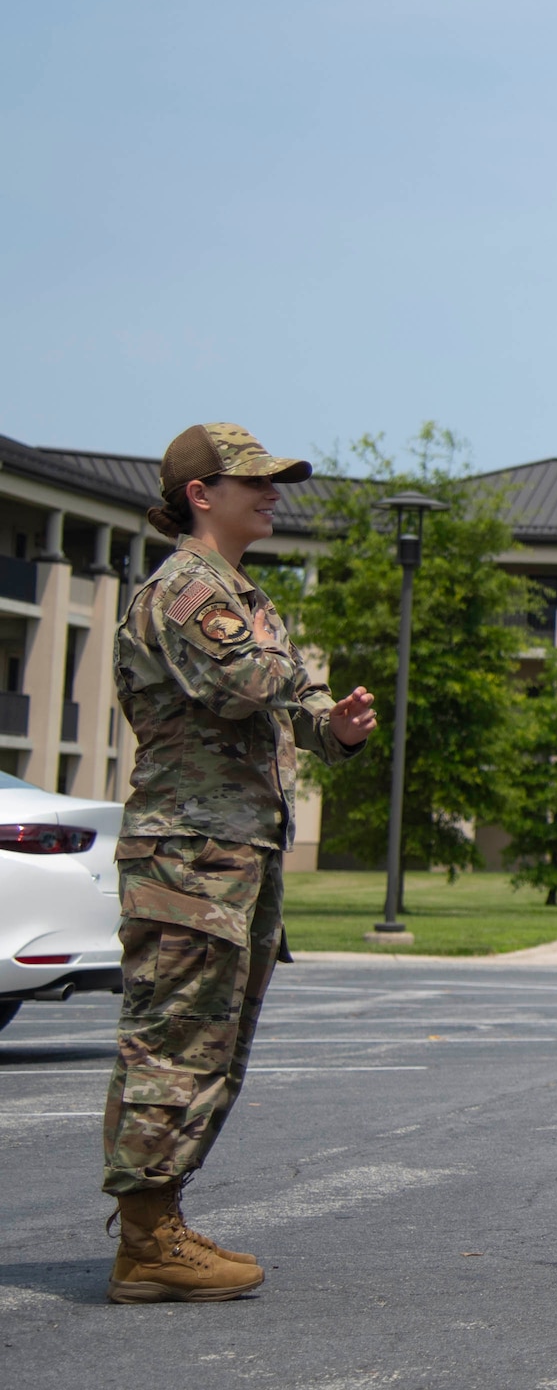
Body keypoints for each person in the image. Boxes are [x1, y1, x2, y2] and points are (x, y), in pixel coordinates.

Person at [101, 424, 378, 1303]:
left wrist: (331, 729)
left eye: (275, 481)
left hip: (231, 849)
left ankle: (161, 1221)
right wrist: (310, 696)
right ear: (200, 494)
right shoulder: (187, 590)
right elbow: (248, 682)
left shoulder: (242, 594)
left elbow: (272, 697)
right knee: (175, 1040)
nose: (273, 494)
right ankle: (145, 1241)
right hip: (188, 853)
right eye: (253, 481)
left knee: (213, 1046)